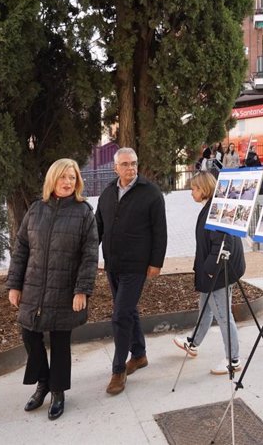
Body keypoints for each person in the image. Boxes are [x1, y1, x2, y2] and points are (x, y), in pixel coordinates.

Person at [6, 158, 98, 421]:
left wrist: (82, 290)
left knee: (59, 342)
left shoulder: (84, 213)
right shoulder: (36, 210)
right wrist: (14, 284)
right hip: (33, 286)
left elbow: (89, 256)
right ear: (52, 180)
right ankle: (43, 382)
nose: (68, 182)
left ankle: (58, 392)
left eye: (72, 177)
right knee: (29, 335)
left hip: (65, 289)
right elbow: (21, 249)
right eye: (63, 177)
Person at [95, 147, 168, 395]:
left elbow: (160, 231)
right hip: (112, 264)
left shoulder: (151, 193)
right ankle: (139, 354)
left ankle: (118, 369)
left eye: (134, 163)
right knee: (128, 310)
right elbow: (98, 228)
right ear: (115, 168)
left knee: (121, 315)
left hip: (136, 266)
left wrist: (156, 263)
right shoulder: (107, 193)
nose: (130, 168)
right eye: (125, 164)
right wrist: (87, 256)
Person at [172, 171, 246, 374]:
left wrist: (211, 271)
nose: (191, 192)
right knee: (205, 306)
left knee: (223, 315)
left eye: (194, 188)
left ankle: (234, 360)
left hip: (219, 273)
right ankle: (193, 343)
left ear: (204, 189)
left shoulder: (215, 209)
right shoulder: (212, 207)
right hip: (213, 272)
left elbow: (223, 244)